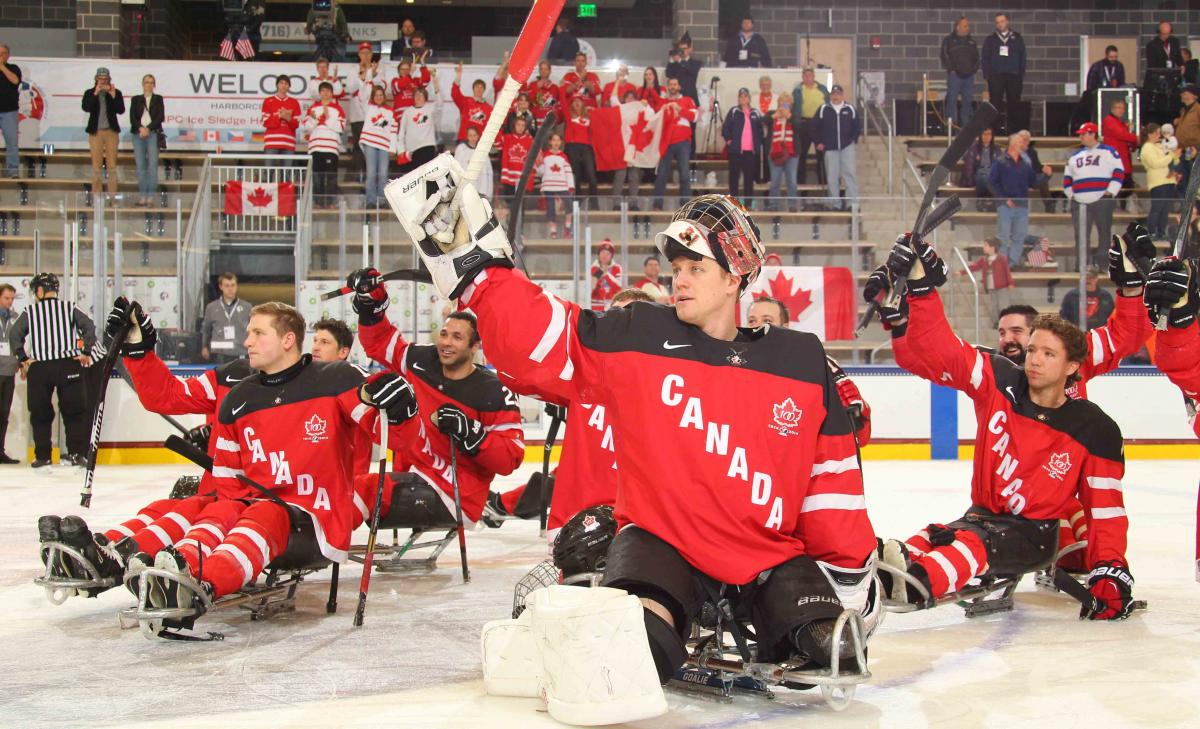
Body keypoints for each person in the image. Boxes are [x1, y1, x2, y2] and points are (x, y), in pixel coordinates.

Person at [389, 164, 880, 719]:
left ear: (736, 276)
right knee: (627, 652)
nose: (682, 279)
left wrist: (846, 573)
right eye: (677, 267)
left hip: (767, 551)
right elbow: (546, 337)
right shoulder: (641, 334)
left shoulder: (799, 358)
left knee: (831, 646)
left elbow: (832, 479)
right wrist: (479, 271)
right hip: (661, 542)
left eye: (698, 266)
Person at [866, 238, 1133, 621]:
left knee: (971, 547)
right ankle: (888, 569)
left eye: (1048, 354)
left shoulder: (1095, 428)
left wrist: (1111, 570)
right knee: (937, 534)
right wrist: (919, 291)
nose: (1034, 360)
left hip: (1032, 534)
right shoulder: (999, 378)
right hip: (981, 515)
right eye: (1033, 350)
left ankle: (915, 580)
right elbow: (940, 349)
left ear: (1073, 366)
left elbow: (1106, 511)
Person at [146, 302, 407, 618]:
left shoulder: (336, 378)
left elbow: (386, 425)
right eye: (248, 333)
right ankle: (180, 568)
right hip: (262, 510)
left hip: (316, 521)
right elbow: (229, 485)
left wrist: (391, 403)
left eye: (258, 333)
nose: (247, 342)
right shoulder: (237, 399)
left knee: (266, 512)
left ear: (287, 340)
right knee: (220, 507)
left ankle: (203, 581)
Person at [351, 283, 524, 529]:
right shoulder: (424, 360)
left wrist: (472, 435)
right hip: (415, 473)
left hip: (455, 493)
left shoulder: (494, 390)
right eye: (444, 334)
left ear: (475, 347)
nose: (446, 343)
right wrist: (371, 311)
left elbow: (510, 459)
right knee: (351, 486)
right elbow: (381, 345)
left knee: (364, 490)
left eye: (457, 337)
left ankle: (319, 539)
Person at [487, 288, 653, 531]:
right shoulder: (579, 373)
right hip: (573, 527)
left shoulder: (672, 389)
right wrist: (501, 322)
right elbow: (518, 374)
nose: (620, 323)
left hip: (638, 529)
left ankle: (503, 504)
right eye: (614, 315)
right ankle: (503, 504)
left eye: (629, 316)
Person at [744, 297, 872, 446]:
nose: (757, 326)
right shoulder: (736, 363)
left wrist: (856, 416)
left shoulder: (814, 362)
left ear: (785, 326)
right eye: (752, 321)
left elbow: (860, 436)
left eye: (767, 320)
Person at [7, 273, 99, 469]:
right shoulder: (69, 307)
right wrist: (86, 351)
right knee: (74, 413)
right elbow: (89, 327)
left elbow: (15, 334)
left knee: (40, 413)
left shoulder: (30, 310)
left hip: (40, 367)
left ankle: (43, 457)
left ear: (39, 290)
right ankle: (76, 454)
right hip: (69, 364)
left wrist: (22, 358)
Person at [1064, 122, 1124, 266]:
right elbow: (1067, 178)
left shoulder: (1109, 152)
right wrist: (1071, 194)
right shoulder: (1075, 156)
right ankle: (1082, 265)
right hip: (1079, 201)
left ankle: (1103, 265)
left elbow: (1119, 172)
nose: (1081, 137)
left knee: (1104, 233)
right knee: (1081, 236)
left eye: (1083, 134)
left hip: (1102, 199)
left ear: (1092, 134)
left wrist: (1110, 191)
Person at [988, 133, 1051, 267]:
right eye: (1020, 142)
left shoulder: (1025, 164)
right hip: (1005, 205)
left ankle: (1010, 265)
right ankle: (1001, 266)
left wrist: (1046, 176)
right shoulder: (1000, 161)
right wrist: (1004, 199)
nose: (1022, 145)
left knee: (1019, 237)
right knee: (1003, 237)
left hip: (1022, 205)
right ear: (1013, 144)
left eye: (1023, 142)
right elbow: (992, 182)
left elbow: (1033, 183)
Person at [652, 77, 698, 211]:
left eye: (675, 84)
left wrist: (680, 109)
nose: (672, 86)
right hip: (666, 141)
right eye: (670, 84)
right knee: (662, 174)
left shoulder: (688, 100)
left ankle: (685, 207)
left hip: (683, 141)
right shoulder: (662, 102)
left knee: (684, 173)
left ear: (679, 86)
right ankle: (657, 205)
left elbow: (694, 117)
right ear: (668, 87)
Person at [812, 85, 859, 210]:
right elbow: (814, 127)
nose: (835, 96)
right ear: (830, 96)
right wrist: (819, 142)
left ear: (842, 95)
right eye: (833, 94)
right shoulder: (823, 109)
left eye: (838, 93)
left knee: (849, 174)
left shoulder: (850, 109)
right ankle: (835, 204)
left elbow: (857, 126)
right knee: (832, 176)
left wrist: (853, 140)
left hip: (847, 147)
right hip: (830, 148)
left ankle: (852, 204)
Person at [82, 67, 125, 204]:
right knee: (96, 167)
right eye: (100, 79)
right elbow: (86, 107)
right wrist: (95, 93)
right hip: (95, 132)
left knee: (112, 166)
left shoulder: (115, 92)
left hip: (111, 132)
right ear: (96, 79)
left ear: (109, 79)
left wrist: (113, 95)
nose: (103, 81)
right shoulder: (89, 92)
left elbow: (121, 110)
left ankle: (113, 198)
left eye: (105, 79)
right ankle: (97, 198)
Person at [301, 81, 345, 208]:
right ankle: (317, 203)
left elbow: (341, 127)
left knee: (331, 177)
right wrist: (314, 119)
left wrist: (328, 117)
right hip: (316, 146)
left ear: (332, 93)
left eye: (328, 91)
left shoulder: (338, 109)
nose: (325, 93)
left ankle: (331, 203)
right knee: (317, 177)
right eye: (323, 91)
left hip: (331, 148)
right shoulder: (313, 109)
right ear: (319, 93)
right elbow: (306, 127)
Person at [981, 13, 1026, 134]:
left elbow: (1023, 57)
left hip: (1014, 76)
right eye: (998, 22)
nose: (1000, 24)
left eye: (1002, 21)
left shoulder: (1017, 38)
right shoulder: (991, 39)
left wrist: (1020, 74)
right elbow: (985, 58)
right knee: (995, 103)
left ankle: (1013, 131)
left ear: (1007, 22)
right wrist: (988, 75)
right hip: (996, 76)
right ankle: (995, 130)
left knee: (1014, 103)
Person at [345, 42, 385, 178]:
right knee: (358, 145)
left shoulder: (378, 69)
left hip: (374, 115)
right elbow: (349, 88)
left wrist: (372, 75)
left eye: (368, 53)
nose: (365, 55)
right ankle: (359, 173)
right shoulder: (353, 69)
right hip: (357, 115)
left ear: (372, 54)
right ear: (359, 54)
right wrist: (361, 77)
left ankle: (372, 174)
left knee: (372, 145)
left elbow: (383, 87)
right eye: (363, 53)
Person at [127, 74, 164, 208]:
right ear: (142, 84)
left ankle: (151, 197)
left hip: (152, 133)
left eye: (151, 82)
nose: (148, 84)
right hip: (138, 134)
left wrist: (148, 129)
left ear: (154, 85)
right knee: (141, 166)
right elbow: (132, 117)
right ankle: (142, 196)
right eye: (146, 82)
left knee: (152, 166)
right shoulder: (136, 99)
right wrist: (140, 128)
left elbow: (160, 117)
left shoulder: (158, 99)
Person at [722, 87, 763, 203]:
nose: (743, 99)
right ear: (738, 99)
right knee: (734, 178)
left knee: (749, 179)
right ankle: (733, 203)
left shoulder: (755, 112)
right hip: (736, 151)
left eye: (745, 96)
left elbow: (760, 130)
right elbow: (726, 128)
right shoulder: (734, 111)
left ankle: (748, 203)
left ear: (749, 98)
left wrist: (758, 143)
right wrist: (729, 140)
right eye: (741, 97)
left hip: (750, 151)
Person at [1141, 123, 1181, 239]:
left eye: (1160, 133)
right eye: (1156, 133)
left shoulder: (1159, 146)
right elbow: (1155, 163)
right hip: (1158, 182)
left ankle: (1161, 232)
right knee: (1157, 208)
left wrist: (1175, 156)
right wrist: (1171, 156)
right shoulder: (1147, 148)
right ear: (1149, 134)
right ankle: (1152, 231)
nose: (1159, 135)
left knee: (1165, 209)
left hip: (1169, 180)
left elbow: (1171, 158)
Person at [200, 272, 251, 364]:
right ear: (221, 287)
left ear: (236, 286)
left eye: (233, 285)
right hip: (219, 354)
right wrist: (204, 347)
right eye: (227, 286)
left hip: (240, 352)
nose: (230, 289)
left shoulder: (247, 307)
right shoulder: (211, 307)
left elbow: (252, 330)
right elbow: (206, 329)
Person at [359, 85, 396, 208]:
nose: (379, 97)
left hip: (384, 145)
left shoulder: (390, 111)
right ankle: (370, 201)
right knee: (371, 173)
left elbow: (393, 130)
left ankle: (382, 200)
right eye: (376, 95)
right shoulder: (368, 107)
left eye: (381, 95)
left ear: (384, 97)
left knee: (383, 174)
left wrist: (393, 148)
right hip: (370, 143)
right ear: (373, 97)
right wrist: (368, 76)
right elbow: (362, 95)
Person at [791, 68, 829, 186]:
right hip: (804, 123)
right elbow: (792, 106)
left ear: (814, 76)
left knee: (821, 156)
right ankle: (801, 185)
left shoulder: (822, 89)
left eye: (810, 75)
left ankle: (824, 184)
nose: (808, 78)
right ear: (802, 77)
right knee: (801, 155)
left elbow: (829, 105)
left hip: (820, 124)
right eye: (806, 76)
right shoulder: (797, 90)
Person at [940, 16, 980, 128]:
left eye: (968, 26)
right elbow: (944, 56)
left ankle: (965, 128)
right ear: (958, 27)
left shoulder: (972, 42)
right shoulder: (948, 40)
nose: (968, 28)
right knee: (952, 100)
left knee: (967, 102)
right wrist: (951, 69)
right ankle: (951, 127)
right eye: (965, 26)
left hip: (969, 77)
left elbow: (977, 58)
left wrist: (973, 70)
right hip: (955, 76)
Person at [396, 85, 441, 174]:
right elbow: (401, 132)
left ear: (425, 97)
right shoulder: (407, 112)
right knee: (413, 177)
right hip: (411, 151)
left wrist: (436, 86)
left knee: (426, 176)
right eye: (416, 94)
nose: (419, 97)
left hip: (427, 147)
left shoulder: (430, 109)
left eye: (421, 95)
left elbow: (439, 104)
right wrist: (401, 150)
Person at [536, 132, 573, 238]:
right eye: (554, 140)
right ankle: (553, 231)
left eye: (558, 140)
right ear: (550, 142)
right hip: (549, 185)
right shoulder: (545, 155)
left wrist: (571, 186)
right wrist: (537, 163)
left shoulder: (563, 156)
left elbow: (568, 172)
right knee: (550, 208)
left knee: (570, 205)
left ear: (561, 142)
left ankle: (567, 227)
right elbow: (541, 172)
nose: (556, 142)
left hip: (562, 185)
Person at [767, 93, 799, 212]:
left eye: (786, 103)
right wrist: (773, 116)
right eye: (781, 102)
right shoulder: (772, 114)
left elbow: (799, 127)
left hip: (791, 154)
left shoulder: (795, 116)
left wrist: (788, 116)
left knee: (792, 181)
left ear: (790, 104)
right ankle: (773, 204)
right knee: (775, 181)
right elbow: (763, 121)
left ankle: (792, 205)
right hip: (775, 154)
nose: (783, 105)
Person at [1058, 266, 1114, 332]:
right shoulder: (1071, 296)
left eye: (1091, 278)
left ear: (1096, 279)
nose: (1088, 280)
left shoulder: (1106, 296)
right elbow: (1063, 317)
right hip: (1078, 334)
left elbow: (1112, 317)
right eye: (1085, 278)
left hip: (1099, 335)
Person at [1102, 98, 1139, 196]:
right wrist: (1136, 138)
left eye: (1122, 108)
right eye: (1118, 108)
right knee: (1121, 186)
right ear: (1112, 109)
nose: (1121, 110)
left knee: (1126, 186)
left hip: (1123, 160)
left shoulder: (1119, 123)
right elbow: (1121, 134)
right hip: (1116, 160)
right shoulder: (1109, 120)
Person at [960, 128, 1002, 210]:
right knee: (983, 176)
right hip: (978, 174)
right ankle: (996, 199)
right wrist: (970, 182)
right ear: (980, 135)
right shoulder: (973, 148)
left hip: (992, 174)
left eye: (989, 134)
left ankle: (980, 201)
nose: (987, 136)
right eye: (984, 134)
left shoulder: (996, 149)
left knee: (987, 176)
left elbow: (1001, 166)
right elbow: (969, 167)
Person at [564, 96, 597, 199]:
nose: (577, 103)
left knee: (591, 173)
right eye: (574, 101)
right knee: (576, 174)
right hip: (572, 146)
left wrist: (595, 110)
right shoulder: (569, 116)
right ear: (571, 105)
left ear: (583, 104)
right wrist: (562, 86)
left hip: (586, 146)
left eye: (579, 101)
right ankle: (577, 201)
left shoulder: (589, 117)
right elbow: (562, 100)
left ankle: (594, 201)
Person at [451, 62, 493, 143]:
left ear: (484, 90)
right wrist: (458, 76)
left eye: (481, 87)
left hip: (479, 142)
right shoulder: (466, 101)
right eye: (477, 87)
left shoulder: (489, 108)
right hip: (464, 138)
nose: (479, 89)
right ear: (473, 89)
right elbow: (455, 94)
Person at [497, 115, 535, 205]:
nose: (520, 127)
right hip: (509, 176)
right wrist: (499, 127)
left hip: (522, 176)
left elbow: (533, 159)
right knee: (509, 202)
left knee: (521, 203)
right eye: (518, 125)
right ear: (514, 126)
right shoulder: (507, 138)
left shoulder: (530, 140)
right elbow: (497, 144)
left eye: (523, 125)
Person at [260, 74, 300, 156]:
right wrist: (279, 116)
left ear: (289, 86)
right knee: (269, 169)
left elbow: (296, 124)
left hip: (288, 142)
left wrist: (287, 118)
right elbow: (265, 122)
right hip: (271, 142)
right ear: (277, 85)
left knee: (287, 169)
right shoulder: (268, 101)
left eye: (286, 83)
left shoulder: (294, 102)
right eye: (281, 83)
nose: (283, 85)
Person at [0, 284, 17, 463]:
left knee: (4, 414)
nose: (10, 302)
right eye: (6, 298)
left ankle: (0, 451)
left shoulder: (15, 318)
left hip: (9, 371)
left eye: (12, 298)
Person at [0, 44, 20, 179]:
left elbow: (15, 81)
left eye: (3, 53)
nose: (0, 56)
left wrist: (2, 67)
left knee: (12, 142)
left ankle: (13, 171)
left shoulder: (13, 68)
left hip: (9, 111)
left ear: (8, 55)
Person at [665, 33, 702, 104]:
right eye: (680, 49)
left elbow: (692, 71)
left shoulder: (696, 63)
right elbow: (668, 74)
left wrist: (680, 60)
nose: (682, 51)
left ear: (690, 49)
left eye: (684, 49)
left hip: (691, 98)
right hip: (677, 98)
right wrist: (671, 60)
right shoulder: (675, 64)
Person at [525, 60, 562, 126]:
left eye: (545, 69)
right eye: (541, 69)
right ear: (539, 71)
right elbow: (529, 102)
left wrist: (557, 119)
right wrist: (537, 88)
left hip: (551, 123)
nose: (543, 71)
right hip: (536, 122)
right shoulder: (532, 85)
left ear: (550, 71)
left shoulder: (555, 88)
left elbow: (558, 106)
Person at [590, 239, 622, 310]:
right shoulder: (592, 268)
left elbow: (619, 288)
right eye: (603, 252)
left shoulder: (617, 268)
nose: (605, 255)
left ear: (611, 256)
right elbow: (590, 288)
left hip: (613, 305)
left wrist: (607, 274)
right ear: (599, 254)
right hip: (595, 306)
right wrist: (599, 272)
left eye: (608, 253)